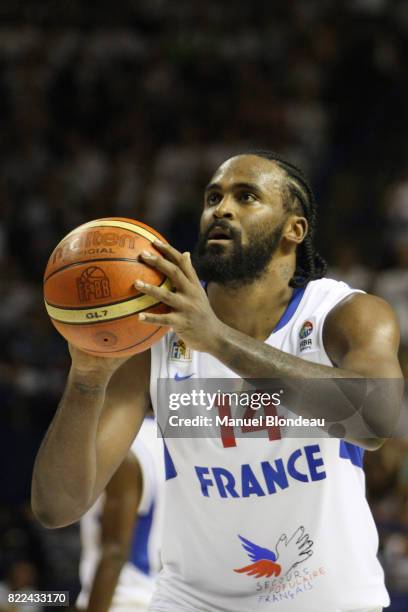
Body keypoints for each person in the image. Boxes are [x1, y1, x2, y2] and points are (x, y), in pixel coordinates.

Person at [32, 152, 403, 612]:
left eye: (246, 196)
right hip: (190, 601)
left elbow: (376, 420)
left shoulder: (343, 315)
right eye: (213, 197)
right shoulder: (155, 333)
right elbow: (57, 506)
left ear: (295, 229)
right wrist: (86, 379)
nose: (221, 209)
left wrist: (218, 340)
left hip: (327, 600)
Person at [76, 417, 164, 612]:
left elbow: (115, 552)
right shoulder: (176, 439)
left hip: (123, 600)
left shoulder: (124, 447)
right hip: (164, 596)